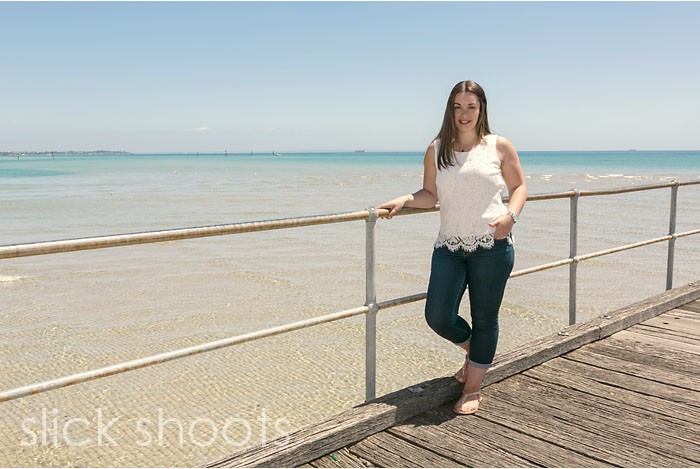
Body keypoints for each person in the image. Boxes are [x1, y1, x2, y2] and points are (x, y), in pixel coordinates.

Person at [379, 80, 527, 415]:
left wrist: (510, 217)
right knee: (438, 315)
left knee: (485, 317)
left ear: (481, 109)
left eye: (471, 107)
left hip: (493, 244)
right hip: (449, 245)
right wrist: (405, 199)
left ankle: (473, 387)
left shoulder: (499, 146)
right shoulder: (436, 148)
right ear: (450, 109)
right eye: (458, 107)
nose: (464, 114)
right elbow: (430, 194)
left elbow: (519, 187)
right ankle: (478, 355)